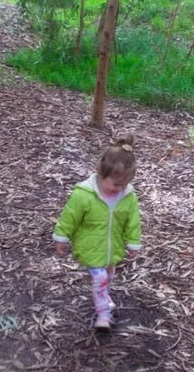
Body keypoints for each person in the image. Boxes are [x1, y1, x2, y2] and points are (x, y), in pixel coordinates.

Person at [52, 136, 144, 331]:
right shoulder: (84, 195)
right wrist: (62, 236)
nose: (120, 189)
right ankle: (103, 314)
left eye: (124, 184)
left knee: (108, 275)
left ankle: (103, 295)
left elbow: (132, 221)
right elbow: (70, 216)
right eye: (116, 184)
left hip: (113, 248)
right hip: (90, 247)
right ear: (100, 173)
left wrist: (133, 242)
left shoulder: (128, 197)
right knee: (100, 278)